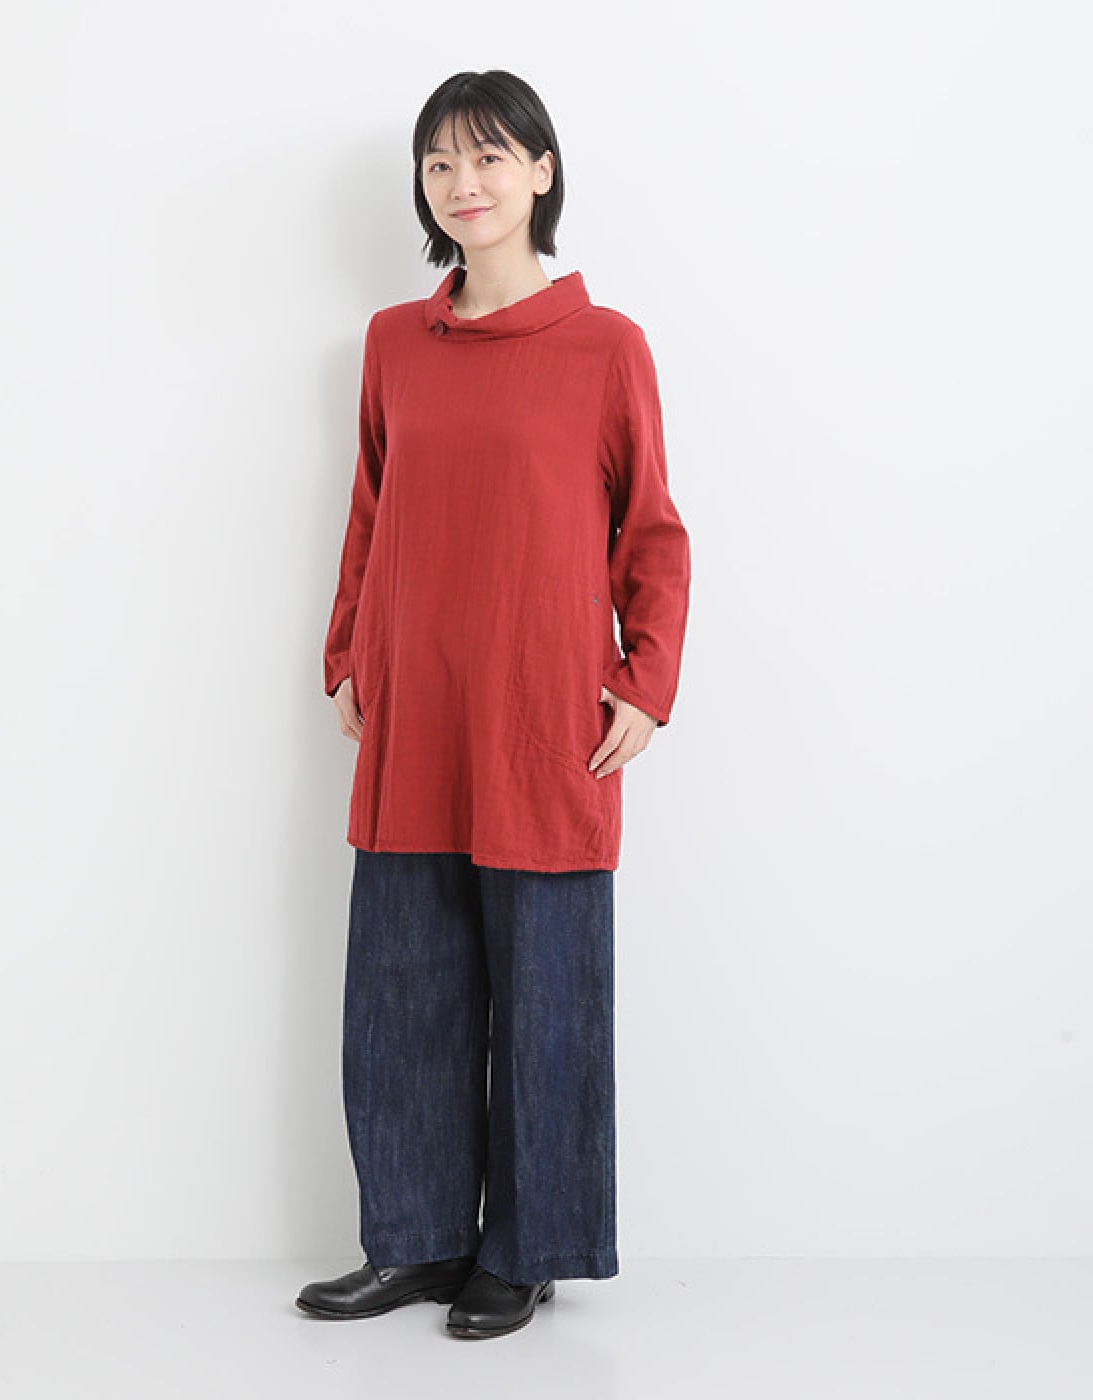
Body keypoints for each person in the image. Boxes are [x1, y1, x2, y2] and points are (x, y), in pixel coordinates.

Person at [297, 69, 691, 1340]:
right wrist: (347, 653)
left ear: (541, 172)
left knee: (548, 993)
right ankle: (415, 1240)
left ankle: (526, 1250)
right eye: (439, 165)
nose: (463, 184)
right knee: (404, 985)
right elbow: (370, 511)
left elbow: (654, 533)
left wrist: (646, 681)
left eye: (488, 158)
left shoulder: (606, 347)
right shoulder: (392, 344)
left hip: (543, 718)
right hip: (413, 711)